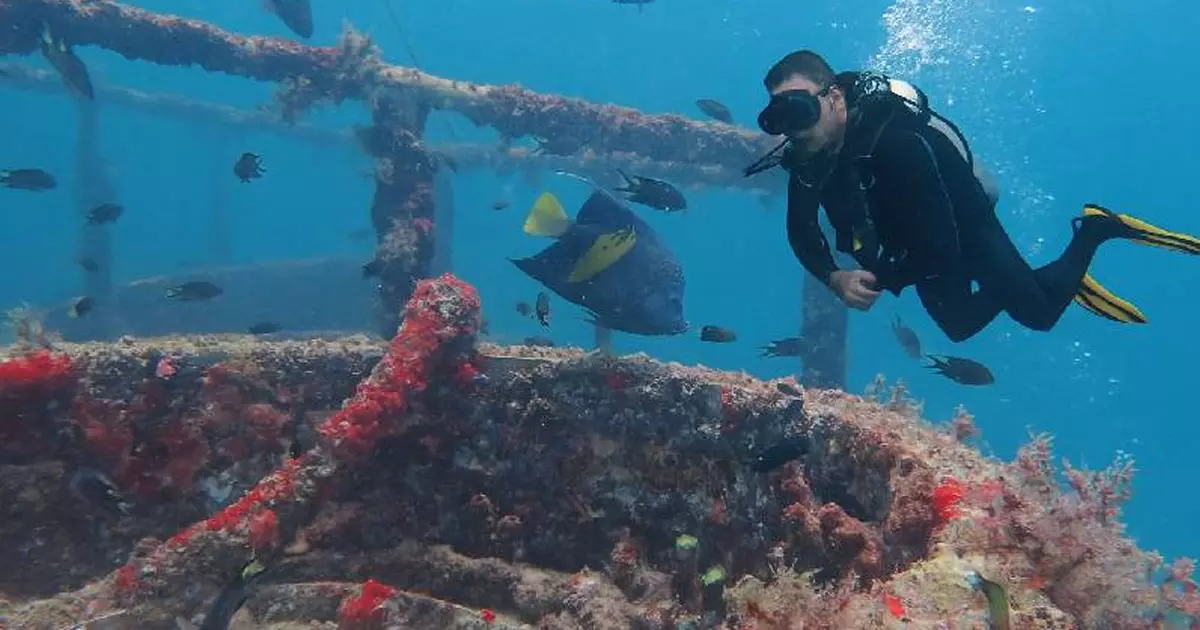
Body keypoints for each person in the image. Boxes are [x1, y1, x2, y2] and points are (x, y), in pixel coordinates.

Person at [745, 50, 1200, 342]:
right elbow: (800, 228)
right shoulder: (809, 154)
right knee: (958, 326)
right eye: (779, 117)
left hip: (963, 218)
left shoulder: (895, 143)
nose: (793, 129)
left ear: (835, 98)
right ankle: (1043, 278)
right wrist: (834, 278)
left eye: (799, 109)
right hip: (910, 237)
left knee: (1039, 314)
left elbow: (941, 243)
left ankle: (1093, 230)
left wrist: (888, 276)